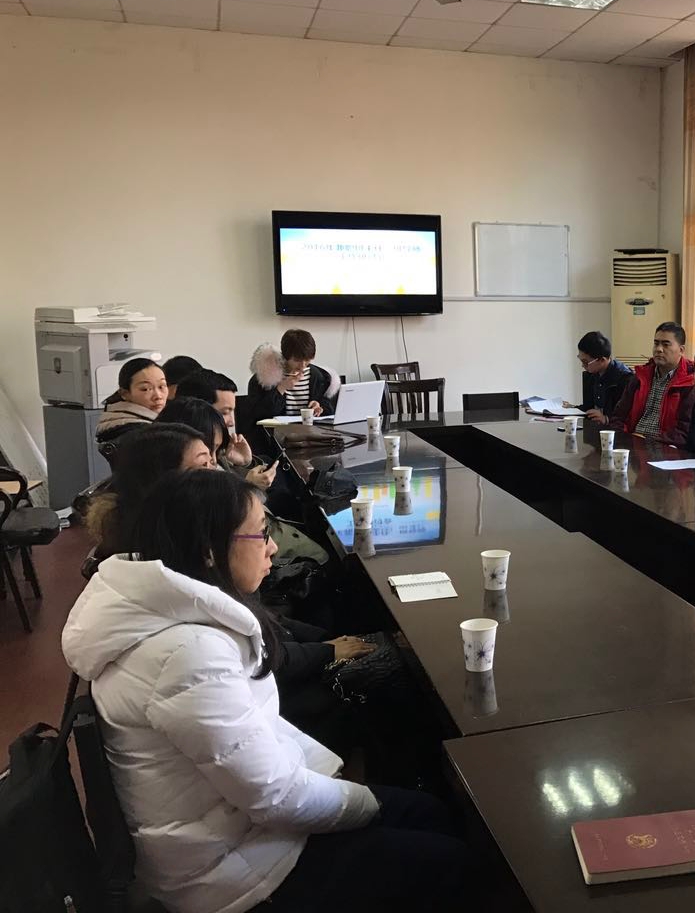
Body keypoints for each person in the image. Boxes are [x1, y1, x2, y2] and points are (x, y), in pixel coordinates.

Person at [62, 469, 469, 913]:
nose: (273, 547)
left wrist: (338, 784)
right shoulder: (188, 655)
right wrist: (360, 796)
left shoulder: (169, 617)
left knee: (427, 812)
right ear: (209, 550)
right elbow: (276, 798)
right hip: (232, 875)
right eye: (261, 534)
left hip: (228, 830)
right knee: (452, 860)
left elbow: (259, 744)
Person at [87, 423, 215, 558]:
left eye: (211, 462)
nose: (216, 473)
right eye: (203, 464)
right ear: (162, 478)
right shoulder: (152, 553)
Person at [184, 370, 278, 491]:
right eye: (224, 413)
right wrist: (247, 487)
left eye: (232, 411)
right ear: (199, 410)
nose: (232, 422)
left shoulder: (221, 447)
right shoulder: (190, 457)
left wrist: (245, 464)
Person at [608, 322, 695, 446]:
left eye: (666, 344)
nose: (659, 349)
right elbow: (618, 416)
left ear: (681, 350)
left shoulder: (689, 381)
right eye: (656, 343)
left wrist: (648, 441)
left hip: (665, 447)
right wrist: (624, 439)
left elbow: (684, 431)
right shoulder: (640, 377)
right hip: (632, 443)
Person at [246, 329, 336, 424]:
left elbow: (330, 410)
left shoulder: (318, 377)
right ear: (286, 356)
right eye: (297, 360)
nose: (303, 365)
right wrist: (281, 388)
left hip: (311, 431)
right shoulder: (263, 378)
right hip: (278, 432)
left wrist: (319, 406)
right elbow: (258, 415)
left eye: (307, 360)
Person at [96, 357, 168, 446]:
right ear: (125, 393)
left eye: (162, 386)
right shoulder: (136, 432)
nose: (158, 396)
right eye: (145, 389)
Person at [572, 331, 634, 423]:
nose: (583, 366)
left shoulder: (625, 379)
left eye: (585, 362)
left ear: (602, 360)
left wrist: (606, 419)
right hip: (594, 426)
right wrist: (571, 408)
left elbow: (629, 416)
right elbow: (588, 408)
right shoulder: (591, 374)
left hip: (613, 429)